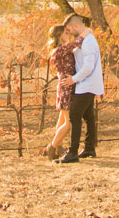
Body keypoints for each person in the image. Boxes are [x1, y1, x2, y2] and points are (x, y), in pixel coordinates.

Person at [57, 13, 103, 163]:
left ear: (75, 26)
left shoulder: (88, 42)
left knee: (74, 115)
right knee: (88, 116)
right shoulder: (85, 40)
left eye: (69, 30)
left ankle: (72, 152)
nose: (69, 34)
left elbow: (88, 66)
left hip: (86, 84)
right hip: (86, 84)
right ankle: (89, 148)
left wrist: (73, 80)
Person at [41, 24, 86, 160]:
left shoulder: (59, 50)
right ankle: (52, 147)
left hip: (66, 86)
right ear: (59, 36)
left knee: (62, 119)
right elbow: (77, 42)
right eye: (65, 33)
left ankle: (58, 146)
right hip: (67, 87)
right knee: (69, 122)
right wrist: (86, 32)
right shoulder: (59, 50)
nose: (68, 35)